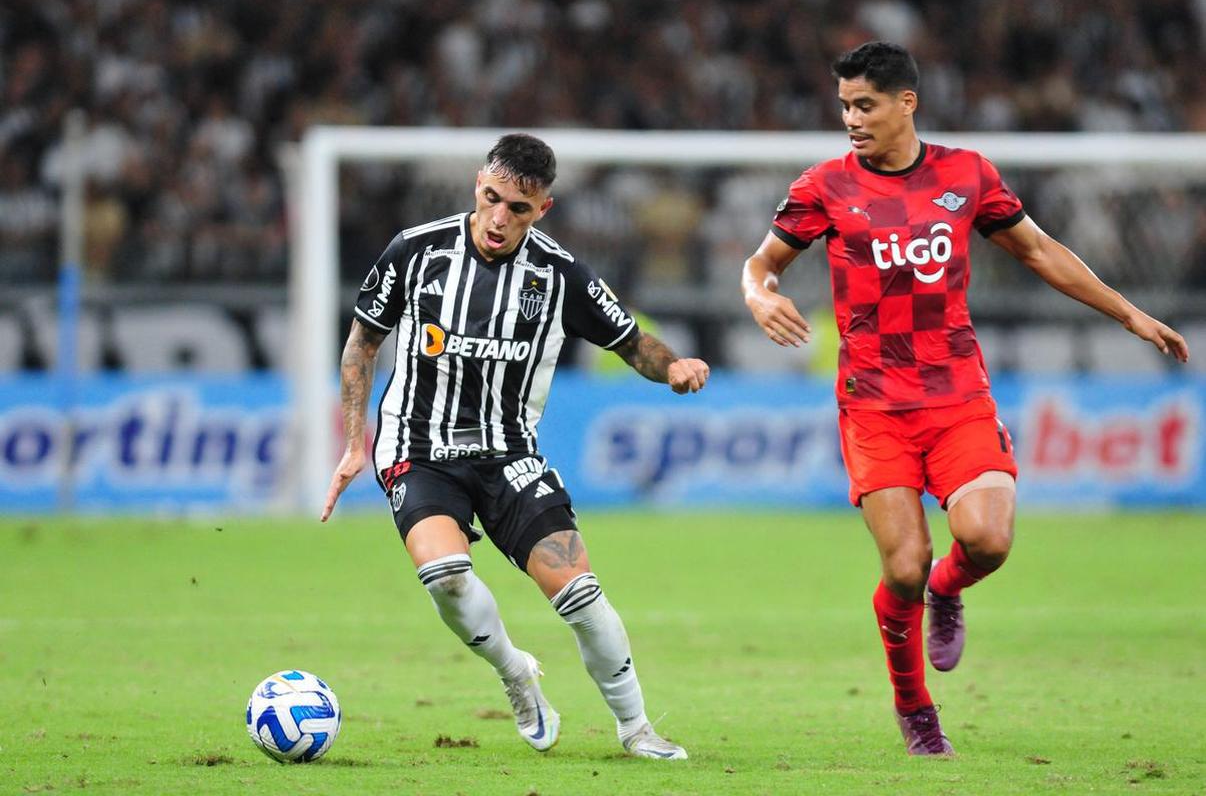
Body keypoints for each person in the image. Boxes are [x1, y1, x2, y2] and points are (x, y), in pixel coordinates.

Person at [740, 42, 1190, 755]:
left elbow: (1040, 252)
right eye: (845, 106)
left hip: (957, 397)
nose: (852, 119)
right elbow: (762, 263)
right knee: (903, 565)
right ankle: (915, 708)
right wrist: (758, 295)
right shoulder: (825, 185)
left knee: (987, 539)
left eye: (865, 104)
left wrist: (1128, 313)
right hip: (875, 405)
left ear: (905, 103)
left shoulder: (965, 174)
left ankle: (950, 591)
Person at [321, 133, 709, 760]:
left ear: (543, 209)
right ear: (478, 183)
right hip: (416, 447)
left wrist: (672, 367)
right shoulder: (415, 252)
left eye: (519, 209)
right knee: (445, 576)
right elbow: (362, 343)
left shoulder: (559, 275)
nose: (499, 219)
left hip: (508, 454)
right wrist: (352, 442)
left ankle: (636, 728)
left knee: (580, 594)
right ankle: (515, 674)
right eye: (491, 198)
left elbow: (632, 341)